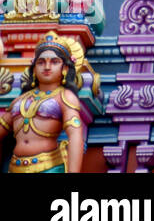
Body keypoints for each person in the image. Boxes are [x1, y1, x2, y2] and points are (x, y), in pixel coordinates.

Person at [0, 32, 89, 172]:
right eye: (41, 62)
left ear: (65, 68)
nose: (47, 67)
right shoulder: (20, 99)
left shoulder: (65, 97)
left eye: (54, 62)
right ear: (34, 68)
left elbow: (75, 135)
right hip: (15, 167)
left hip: (48, 167)